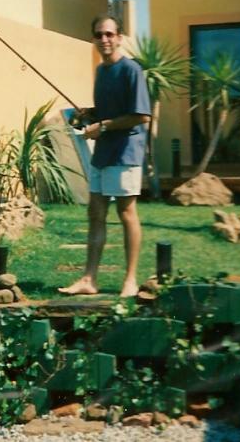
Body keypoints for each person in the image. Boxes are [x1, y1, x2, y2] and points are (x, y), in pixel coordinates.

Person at [58, 15, 151, 298]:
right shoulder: (101, 71)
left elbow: (141, 116)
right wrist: (91, 115)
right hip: (103, 151)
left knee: (126, 213)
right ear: (93, 39)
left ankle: (130, 280)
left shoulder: (131, 70)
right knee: (95, 213)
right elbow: (110, 112)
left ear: (120, 37)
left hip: (125, 152)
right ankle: (89, 279)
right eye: (99, 35)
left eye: (110, 34)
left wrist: (104, 125)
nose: (105, 40)